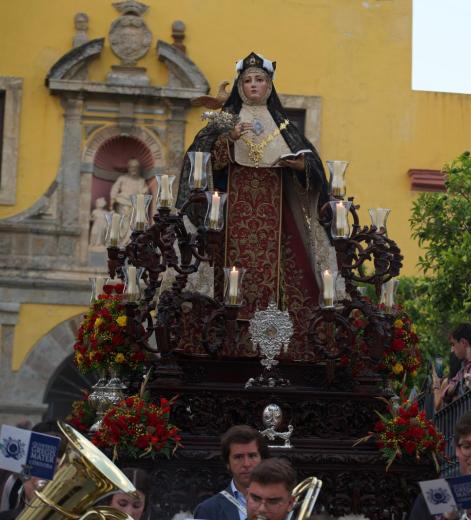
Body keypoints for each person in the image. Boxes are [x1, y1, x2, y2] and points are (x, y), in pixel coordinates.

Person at [176, 52, 337, 351]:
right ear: (239, 86)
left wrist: (301, 167)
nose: (253, 85)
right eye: (247, 80)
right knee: (219, 277)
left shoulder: (286, 127)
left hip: (278, 225)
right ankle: (221, 338)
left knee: (293, 282)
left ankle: (280, 342)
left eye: (259, 80)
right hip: (227, 220)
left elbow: (314, 169)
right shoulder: (224, 122)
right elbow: (199, 161)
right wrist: (227, 140)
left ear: (269, 85)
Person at [194, 425, 269, 520]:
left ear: (262, 459)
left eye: (252, 456)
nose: (246, 464)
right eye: (238, 457)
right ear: (228, 463)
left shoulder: (282, 503)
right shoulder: (208, 510)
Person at [433, 324, 471, 410]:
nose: (452, 349)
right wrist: (455, 389)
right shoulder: (463, 368)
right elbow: (445, 392)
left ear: (463, 343)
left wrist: (454, 390)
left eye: (453, 344)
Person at [109, 158, 149, 243]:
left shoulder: (141, 181)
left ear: (139, 168)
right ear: (128, 168)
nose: (134, 169)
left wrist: (145, 191)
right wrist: (112, 201)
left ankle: (131, 241)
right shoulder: (122, 178)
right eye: (132, 167)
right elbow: (114, 190)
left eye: (136, 167)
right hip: (123, 203)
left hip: (135, 204)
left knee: (136, 221)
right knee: (125, 223)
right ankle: (123, 241)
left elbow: (145, 193)